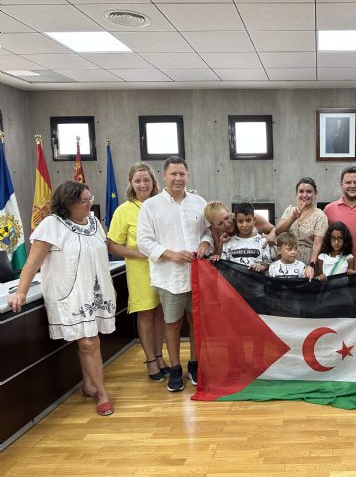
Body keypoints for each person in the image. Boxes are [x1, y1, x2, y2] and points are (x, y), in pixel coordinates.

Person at [9, 181, 116, 416]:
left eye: (90, 198)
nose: (90, 203)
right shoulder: (51, 225)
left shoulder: (94, 222)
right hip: (70, 294)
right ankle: (102, 393)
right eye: (84, 201)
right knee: (88, 342)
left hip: (96, 292)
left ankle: (89, 385)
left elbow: (103, 249)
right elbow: (32, 263)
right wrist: (21, 292)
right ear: (68, 204)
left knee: (89, 339)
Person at [137, 156, 213, 393]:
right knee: (172, 324)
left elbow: (209, 231)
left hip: (197, 276)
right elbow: (144, 242)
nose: (178, 178)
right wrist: (170, 254)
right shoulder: (151, 206)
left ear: (187, 176)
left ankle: (194, 364)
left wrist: (204, 244)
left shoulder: (200, 203)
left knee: (196, 323)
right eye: (173, 174)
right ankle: (175, 369)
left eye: (182, 174)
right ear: (164, 176)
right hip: (169, 278)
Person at [107, 163, 169, 382]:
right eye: (138, 181)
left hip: (164, 267)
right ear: (131, 184)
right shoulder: (123, 210)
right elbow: (112, 244)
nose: (143, 184)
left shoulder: (162, 205)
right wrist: (138, 252)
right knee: (146, 313)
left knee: (162, 313)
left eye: (146, 180)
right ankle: (151, 361)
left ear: (154, 182)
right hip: (139, 269)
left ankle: (161, 356)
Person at [276, 177, 328, 279]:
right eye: (301, 191)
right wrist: (292, 218)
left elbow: (317, 245)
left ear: (315, 193)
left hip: (307, 266)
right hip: (285, 264)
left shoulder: (320, 216)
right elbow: (278, 231)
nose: (305, 195)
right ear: (296, 193)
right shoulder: (289, 210)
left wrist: (311, 265)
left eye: (309, 192)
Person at [204, 201, 275, 256]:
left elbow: (273, 228)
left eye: (226, 218)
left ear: (229, 212)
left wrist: (271, 236)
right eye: (220, 223)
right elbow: (221, 256)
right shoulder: (215, 231)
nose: (227, 224)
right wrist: (222, 243)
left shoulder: (246, 216)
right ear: (214, 225)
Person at [219, 202, 271, 272]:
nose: (244, 225)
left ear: (254, 220)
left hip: (256, 281)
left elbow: (266, 264)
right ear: (235, 221)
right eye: (240, 221)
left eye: (248, 220)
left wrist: (260, 267)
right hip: (234, 282)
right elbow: (224, 265)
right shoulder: (229, 242)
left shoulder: (263, 241)